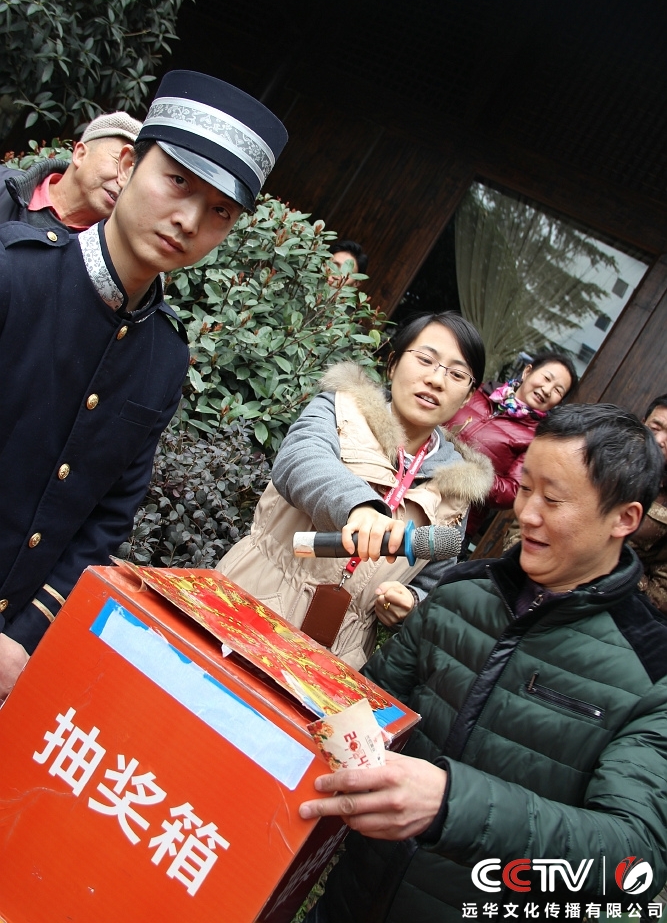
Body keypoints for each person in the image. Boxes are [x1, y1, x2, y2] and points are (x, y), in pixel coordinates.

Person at [299, 402, 667, 921]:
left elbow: (634, 857)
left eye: (553, 499)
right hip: (352, 897)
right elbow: (375, 707)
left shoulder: (652, 672)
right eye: (525, 488)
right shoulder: (460, 592)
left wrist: (452, 805)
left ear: (623, 518)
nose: (527, 513)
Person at [0, 70, 287, 699]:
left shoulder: (163, 356)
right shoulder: (14, 277)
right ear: (127, 166)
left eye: (219, 211)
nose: (188, 220)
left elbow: (106, 519)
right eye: (178, 181)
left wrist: (22, 637)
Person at [216, 312, 494, 669]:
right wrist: (359, 507)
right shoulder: (339, 410)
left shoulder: (457, 487)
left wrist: (410, 602)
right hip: (245, 603)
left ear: (468, 395)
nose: (436, 380)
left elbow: (433, 582)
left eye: (456, 374)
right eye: (426, 360)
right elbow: (300, 459)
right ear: (393, 364)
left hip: (334, 658)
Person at [449, 351, 578, 535]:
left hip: (452, 520)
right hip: (412, 482)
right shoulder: (480, 392)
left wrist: (467, 473)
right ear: (527, 372)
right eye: (547, 378)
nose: (547, 390)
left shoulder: (538, 439)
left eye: (558, 390)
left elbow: (512, 492)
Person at [0, 111, 142, 230]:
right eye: (120, 163)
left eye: (135, 177)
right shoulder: (3, 184)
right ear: (80, 154)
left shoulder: (98, 253)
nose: (124, 181)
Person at [630, 394, 667, 613]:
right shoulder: (604, 456)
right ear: (643, 423)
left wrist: (619, 564)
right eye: (655, 428)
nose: (660, 440)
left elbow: (662, 596)